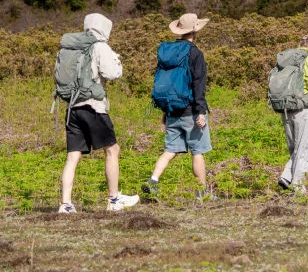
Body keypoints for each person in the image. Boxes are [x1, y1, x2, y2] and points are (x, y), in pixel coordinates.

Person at [55, 12, 139, 214]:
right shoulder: (100, 46)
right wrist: (118, 62)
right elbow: (112, 73)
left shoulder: (70, 47)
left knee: (73, 156)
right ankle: (113, 199)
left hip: (72, 108)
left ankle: (65, 204)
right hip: (93, 107)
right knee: (112, 150)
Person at [141, 12, 211, 202]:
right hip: (190, 111)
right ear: (195, 30)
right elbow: (198, 85)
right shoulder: (195, 53)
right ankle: (202, 192)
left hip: (172, 110)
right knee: (198, 151)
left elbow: (167, 81)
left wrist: (165, 110)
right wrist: (201, 112)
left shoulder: (168, 52)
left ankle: (153, 180)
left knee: (170, 150)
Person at [270, 32, 308, 195]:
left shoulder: (287, 58)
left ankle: (287, 177)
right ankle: (298, 187)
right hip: (302, 108)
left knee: (294, 147)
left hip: (284, 108)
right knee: (303, 149)